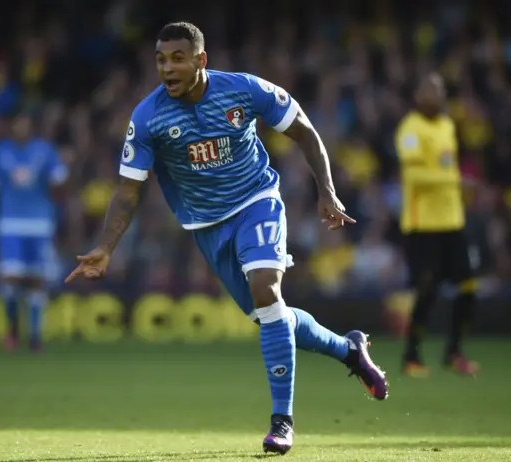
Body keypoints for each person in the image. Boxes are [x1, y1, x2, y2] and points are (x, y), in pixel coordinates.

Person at [65, 22, 387, 455]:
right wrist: (106, 246)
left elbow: (305, 131)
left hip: (257, 202)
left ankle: (282, 422)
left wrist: (326, 191)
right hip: (207, 227)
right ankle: (349, 350)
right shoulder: (147, 117)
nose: (167, 68)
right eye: (161, 59)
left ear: (201, 60)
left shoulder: (244, 91)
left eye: (177, 58)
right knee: (272, 316)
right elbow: (128, 188)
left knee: (266, 289)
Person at [395, 73, 479, 378]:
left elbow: (445, 169)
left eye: (438, 90)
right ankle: (411, 356)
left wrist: (459, 189)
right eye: (428, 90)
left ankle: (454, 351)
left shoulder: (446, 126)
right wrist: (455, 180)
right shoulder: (410, 129)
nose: (433, 95)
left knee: (468, 284)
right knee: (427, 289)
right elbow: (414, 176)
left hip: (452, 221)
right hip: (422, 224)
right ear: (417, 96)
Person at [0, 109, 68, 352]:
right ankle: (11, 328)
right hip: (9, 223)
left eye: (26, 123)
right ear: (12, 126)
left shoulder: (45, 151)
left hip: (40, 223)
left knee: (37, 280)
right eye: (17, 123)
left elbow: (60, 184)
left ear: (31, 126)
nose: (22, 127)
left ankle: (35, 336)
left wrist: (55, 216)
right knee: (10, 278)